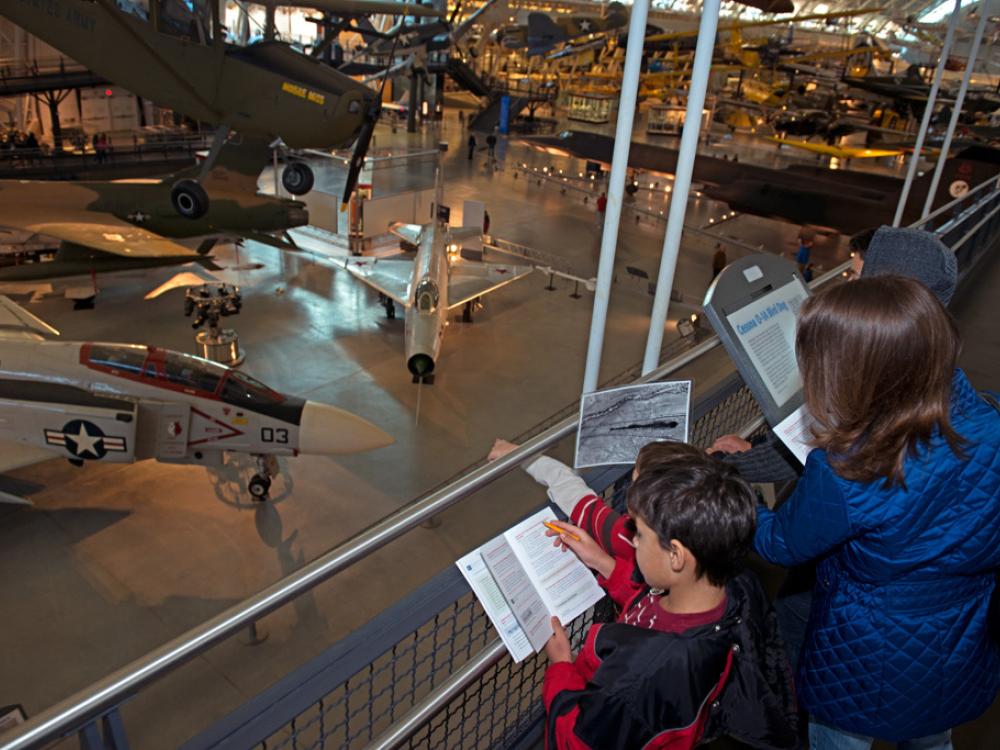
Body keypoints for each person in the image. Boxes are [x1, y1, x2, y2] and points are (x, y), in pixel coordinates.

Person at [755, 276, 1000, 748]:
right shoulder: (991, 422)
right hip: (958, 637)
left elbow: (777, 543)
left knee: (839, 739)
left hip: (866, 658)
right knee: (932, 738)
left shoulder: (850, 470)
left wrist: (735, 500)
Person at [487, 440, 799, 750]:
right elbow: (650, 604)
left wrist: (561, 666)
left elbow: (577, 740)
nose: (633, 541)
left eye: (640, 533)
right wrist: (604, 563)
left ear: (676, 555)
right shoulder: (728, 590)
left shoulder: (642, 680)